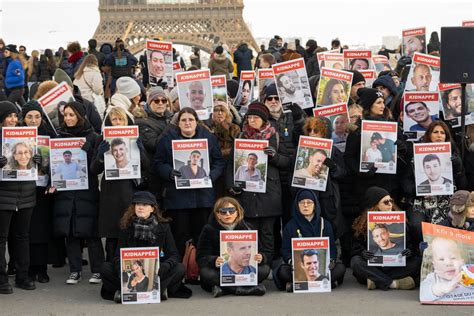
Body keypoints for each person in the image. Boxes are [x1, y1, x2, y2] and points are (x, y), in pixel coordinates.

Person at [154, 108, 225, 256]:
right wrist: (169, 172)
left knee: (202, 235)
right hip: (178, 199)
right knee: (180, 235)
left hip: (203, 197)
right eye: (183, 120)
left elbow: (219, 161)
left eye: (190, 120)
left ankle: (201, 269)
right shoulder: (167, 138)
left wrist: (211, 176)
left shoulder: (208, 137)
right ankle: (182, 271)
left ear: (196, 122)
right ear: (178, 123)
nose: (187, 123)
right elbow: (158, 163)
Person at [100, 191, 191, 302]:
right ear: (134, 208)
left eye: (145, 205)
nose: (140, 208)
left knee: (180, 268)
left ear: (152, 209)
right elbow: (117, 255)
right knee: (105, 268)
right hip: (131, 273)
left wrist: (164, 267)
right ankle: (159, 291)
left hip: (158, 272)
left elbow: (174, 255)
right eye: (138, 204)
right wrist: (122, 270)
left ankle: (126, 292)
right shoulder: (126, 226)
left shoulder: (163, 227)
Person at [227, 102, 290, 262]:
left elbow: (287, 162)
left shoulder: (274, 136)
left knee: (267, 233)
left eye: (256, 117)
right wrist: (231, 186)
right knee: (249, 231)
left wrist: (274, 156)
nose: (252, 120)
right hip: (247, 193)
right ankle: (251, 267)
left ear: (264, 119)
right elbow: (231, 165)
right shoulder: (241, 137)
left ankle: (266, 265)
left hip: (269, 192)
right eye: (249, 117)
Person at [52, 101, 105, 285]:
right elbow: (54, 166)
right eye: (65, 115)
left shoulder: (93, 137)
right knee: (71, 232)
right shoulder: (59, 137)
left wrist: (91, 151)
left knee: (91, 232)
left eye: (71, 115)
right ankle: (75, 270)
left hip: (86, 191)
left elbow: (96, 169)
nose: (68, 118)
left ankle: (97, 270)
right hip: (66, 192)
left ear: (80, 116)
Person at [0, 101, 41, 294]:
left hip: (26, 195)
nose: (13, 120)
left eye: (15, 116)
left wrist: (39, 161)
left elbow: (40, 168)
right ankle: (2, 280)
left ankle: (22, 276)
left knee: (22, 237)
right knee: (1, 239)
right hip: (3, 196)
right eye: (9, 116)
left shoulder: (26, 137)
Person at [196, 197, 269, 297]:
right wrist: (214, 261)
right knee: (206, 273)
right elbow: (201, 257)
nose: (228, 214)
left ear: (237, 212)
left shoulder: (248, 228)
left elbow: (262, 251)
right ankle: (243, 289)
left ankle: (225, 290)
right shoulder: (209, 229)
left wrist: (261, 257)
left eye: (231, 210)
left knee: (264, 269)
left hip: (245, 270)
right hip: (219, 270)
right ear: (217, 214)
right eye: (223, 211)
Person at [350, 187, 421, 290]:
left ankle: (376, 280)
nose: (390, 205)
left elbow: (411, 245)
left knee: (418, 261)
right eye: (386, 202)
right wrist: (363, 253)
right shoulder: (363, 224)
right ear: (375, 205)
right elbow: (355, 249)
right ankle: (394, 283)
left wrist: (409, 252)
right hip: (375, 265)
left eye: (391, 201)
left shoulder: (401, 220)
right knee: (356, 262)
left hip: (396, 265)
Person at [275, 189, 345, 291]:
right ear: (297, 205)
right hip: (299, 267)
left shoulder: (324, 224)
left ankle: (295, 286)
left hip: (320, 267)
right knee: (282, 271)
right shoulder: (290, 226)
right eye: (302, 202)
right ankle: (327, 284)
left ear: (315, 205)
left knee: (340, 268)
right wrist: (291, 261)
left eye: (309, 202)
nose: (306, 205)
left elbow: (332, 248)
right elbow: (285, 250)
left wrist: (331, 261)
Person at [20, 101, 56, 284]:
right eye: (29, 117)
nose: (33, 120)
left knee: (41, 229)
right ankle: (26, 269)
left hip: (43, 190)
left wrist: (44, 164)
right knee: (25, 230)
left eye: (37, 116)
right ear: (23, 119)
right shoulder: (16, 136)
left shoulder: (49, 136)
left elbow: (56, 167)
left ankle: (41, 269)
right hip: (22, 189)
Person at [420, 237, 467, 302]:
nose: (448, 263)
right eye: (441, 259)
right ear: (434, 265)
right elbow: (423, 294)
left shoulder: (468, 275)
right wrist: (441, 288)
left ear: (462, 261)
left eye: (453, 258)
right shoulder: (433, 277)